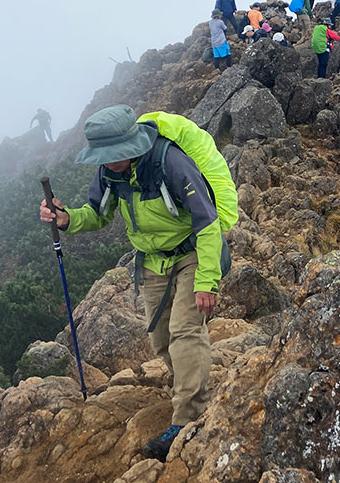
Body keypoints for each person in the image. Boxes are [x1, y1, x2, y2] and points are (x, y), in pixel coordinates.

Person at [37, 105, 230, 462]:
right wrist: (66, 219)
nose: (109, 162)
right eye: (103, 157)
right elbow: (97, 213)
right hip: (153, 261)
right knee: (161, 341)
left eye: (114, 156)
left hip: (193, 253)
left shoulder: (171, 163)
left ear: (133, 144)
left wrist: (206, 280)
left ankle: (189, 417)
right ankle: (191, 387)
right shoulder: (111, 173)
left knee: (186, 331)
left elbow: (207, 221)